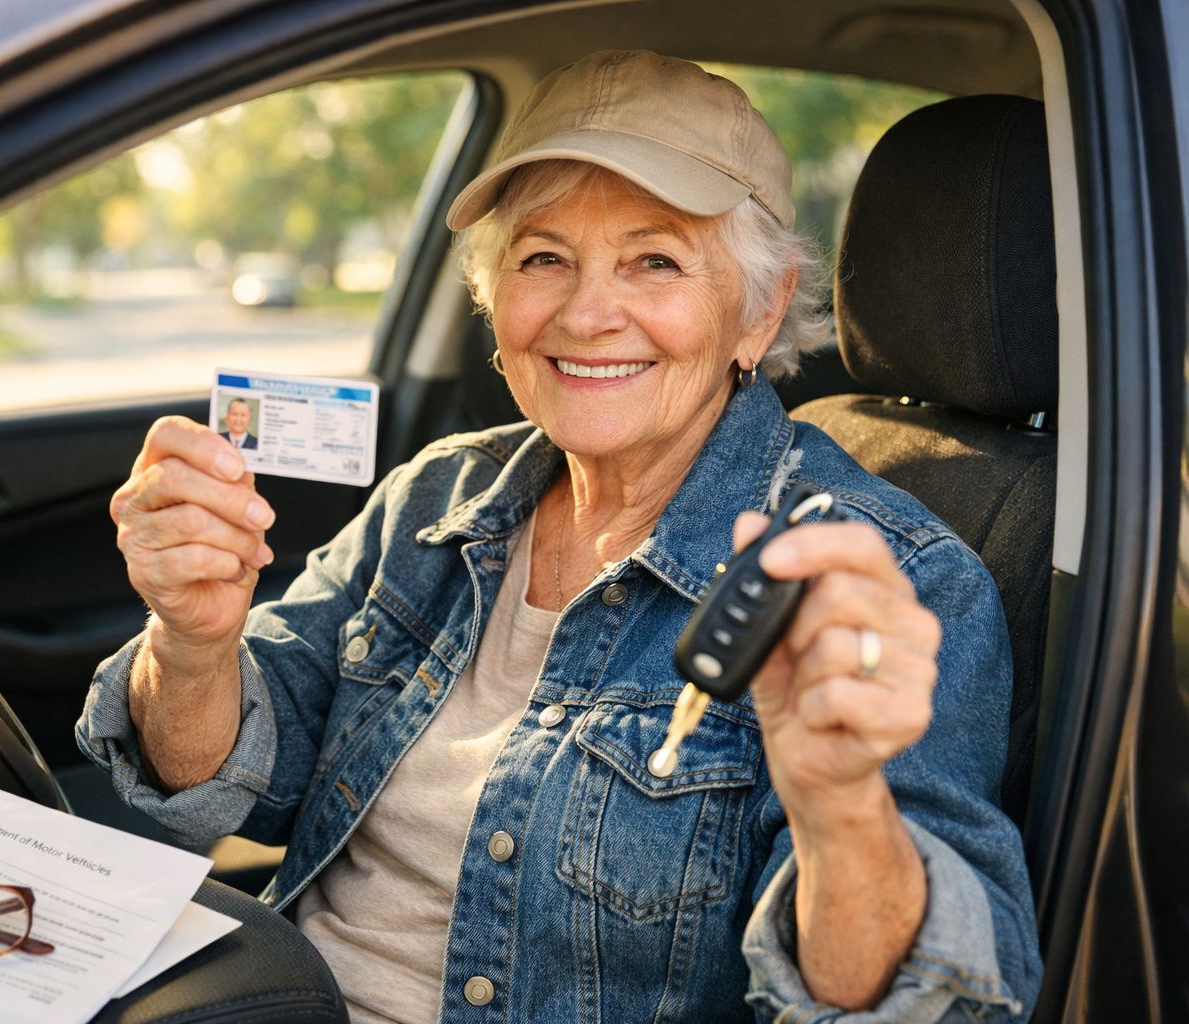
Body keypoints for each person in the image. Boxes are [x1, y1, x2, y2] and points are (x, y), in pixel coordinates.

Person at [79, 50, 1041, 1022]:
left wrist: (840, 810)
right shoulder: (434, 497)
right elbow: (227, 790)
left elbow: (930, 1005)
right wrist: (194, 644)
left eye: (653, 260)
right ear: (498, 304)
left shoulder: (886, 583)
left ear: (758, 312)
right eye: (544, 257)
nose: (586, 314)